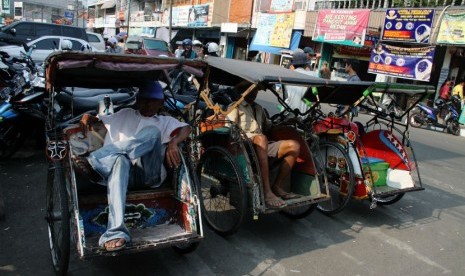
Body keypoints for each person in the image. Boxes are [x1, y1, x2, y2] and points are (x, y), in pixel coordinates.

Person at [80, 81, 191, 251]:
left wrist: (174, 142)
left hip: (148, 174)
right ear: (137, 100)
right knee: (121, 159)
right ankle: (115, 232)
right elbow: (99, 119)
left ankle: (95, 160)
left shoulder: (165, 121)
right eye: (143, 100)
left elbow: (186, 128)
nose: (147, 104)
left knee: (153, 133)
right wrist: (88, 115)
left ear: (160, 103)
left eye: (152, 101)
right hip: (121, 174)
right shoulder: (125, 114)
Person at [226, 81, 301, 208]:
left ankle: (277, 186)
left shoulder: (259, 108)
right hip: (244, 146)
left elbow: (269, 126)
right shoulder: (235, 107)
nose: (254, 94)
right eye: (252, 91)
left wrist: (287, 122)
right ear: (244, 91)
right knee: (261, 138)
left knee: (294, 146)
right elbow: (229, 129)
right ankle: (267, 191)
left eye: (255, 92)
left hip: (262, 143)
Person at [285, 52, 314, 118]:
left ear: (292, 65)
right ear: (305, 65)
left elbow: (287, 97)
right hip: (304, 117)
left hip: (288, 115)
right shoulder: (312, 75)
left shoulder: (287, 76)